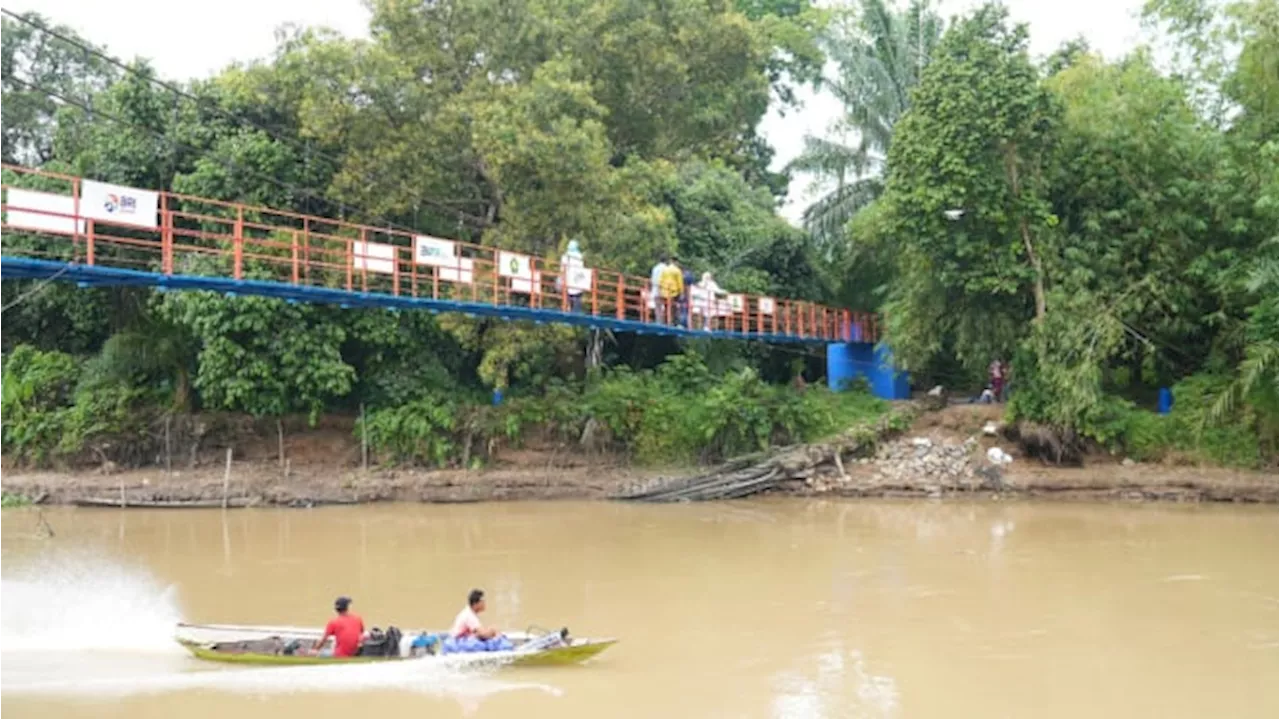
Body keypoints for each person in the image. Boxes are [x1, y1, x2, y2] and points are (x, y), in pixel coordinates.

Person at [558, 239, 585, 313]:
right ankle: (576, 314)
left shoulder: (565, 256)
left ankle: (566, 310)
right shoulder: (580, 256)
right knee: (577, 299)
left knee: (566, 298)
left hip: (568, 280)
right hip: (577, 281)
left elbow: (562, 269)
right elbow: (581, 269)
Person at [658, 256, 684, 325]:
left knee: (666, 307)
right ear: (676, 262)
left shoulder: (665, 269)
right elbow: (680, 282)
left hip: (664, 291)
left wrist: (660, 289)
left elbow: (661, 280)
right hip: (673, 292)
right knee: (673, 308)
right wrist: (681, 292)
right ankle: (673, 322)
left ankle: (665, 321)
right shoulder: (677, 271)